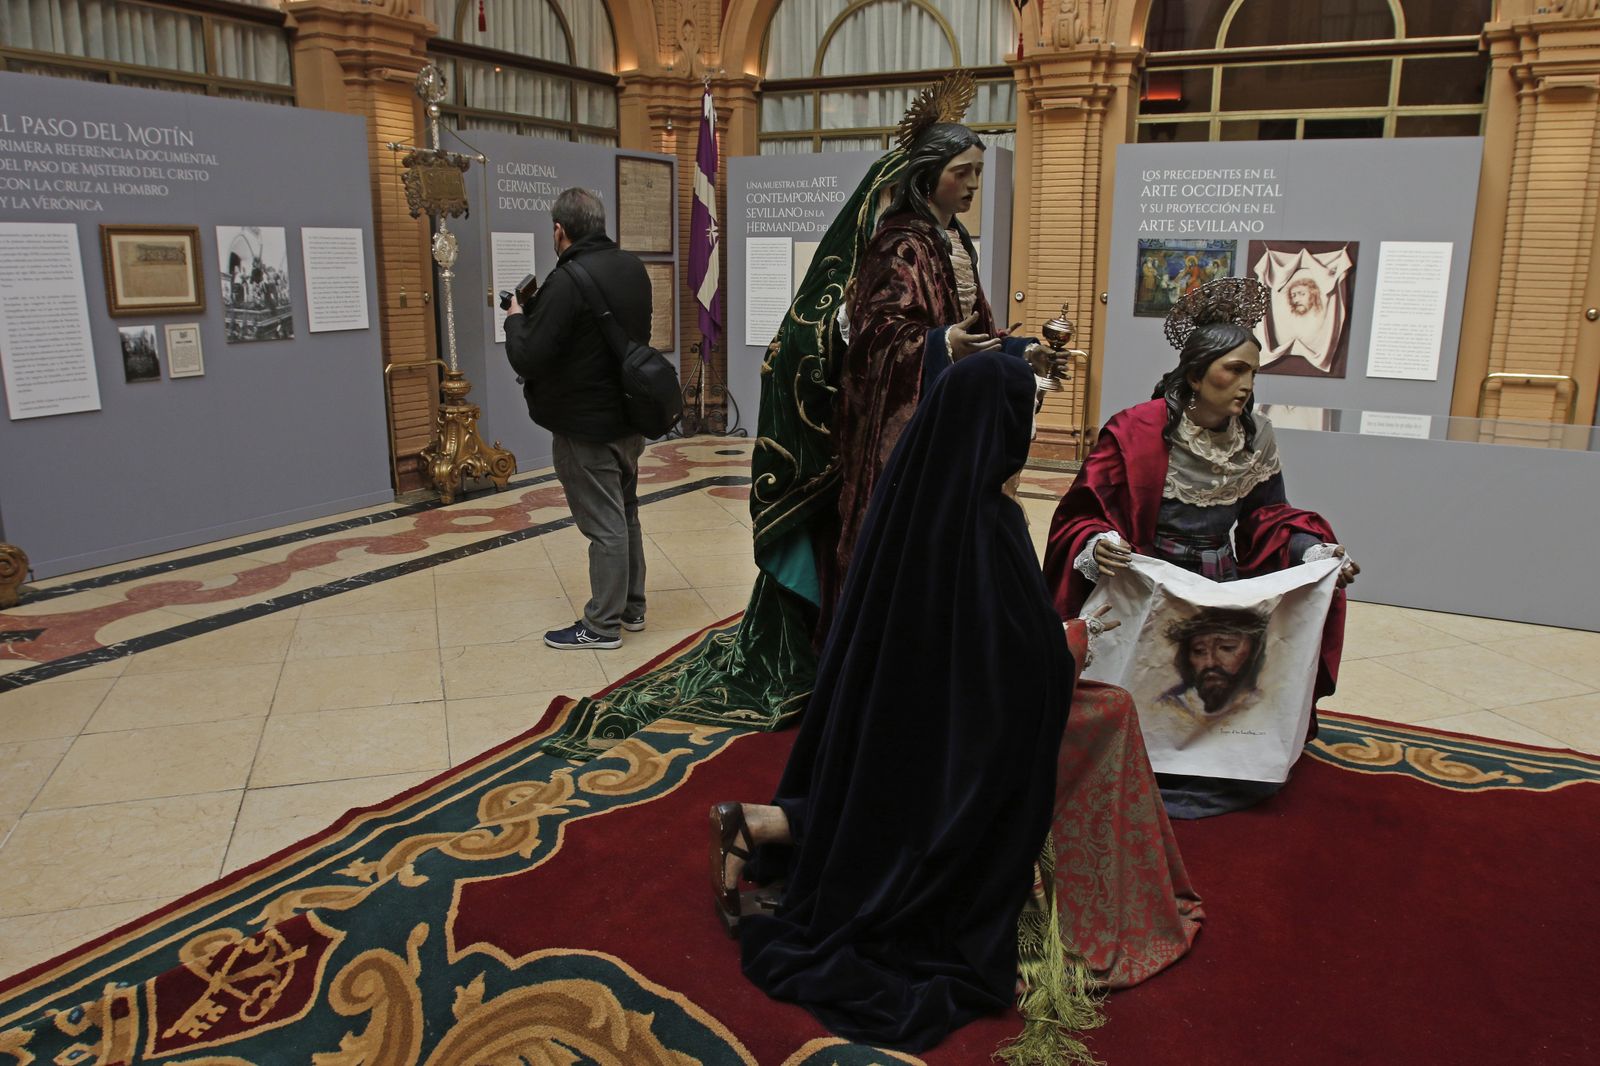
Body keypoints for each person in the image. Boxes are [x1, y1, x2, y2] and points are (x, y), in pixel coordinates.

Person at [710, 350, 1202, 1062]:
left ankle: (768, 823)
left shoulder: (917, 493)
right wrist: (1069, 640)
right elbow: (1007, 665)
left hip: (895, 718)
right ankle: (1077, 905)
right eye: (1022, 416)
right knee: (1115, 715)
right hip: (956, 729)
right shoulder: (986, 514)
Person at [1042, 277, 1358, 819]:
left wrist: (1311, 553)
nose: (1245, 384)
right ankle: (1134, 762)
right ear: (1195, 374)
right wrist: (1099, 543)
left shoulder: (1256, 436)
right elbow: (1083, 508)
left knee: (1216, 683)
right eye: (1234, 369)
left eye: (1253, 372)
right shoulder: (1136, 430)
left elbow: (1266, 515)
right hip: (1150, 579)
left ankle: (1212, 764)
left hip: (1217, 582)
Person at [826, 115, 1062, 628]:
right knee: (910, 537)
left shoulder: (951, 239)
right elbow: (873, 336)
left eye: (978, 172)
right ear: (927, 173)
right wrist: (937, 344)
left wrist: (1021, 351)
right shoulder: (900, 243)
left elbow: (977, 327)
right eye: (964, 172)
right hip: (911, 423)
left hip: (952, 416)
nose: (974, 184)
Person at [504, 187, 651, 651]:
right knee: (625, 513)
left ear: (559, 230)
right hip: (629, 418)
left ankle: (602, 625)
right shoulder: (632, 268)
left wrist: (514, 317)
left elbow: (529, 356)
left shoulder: (566, 280)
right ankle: (631, 606)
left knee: (603, 523)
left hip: (586, 428)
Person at [1155, 608, 1270, 719]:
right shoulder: (1167, 709)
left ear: (1254, 652)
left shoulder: (1267, 705)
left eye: (1227, 648)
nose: (1210, 663)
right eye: (1199, 651)